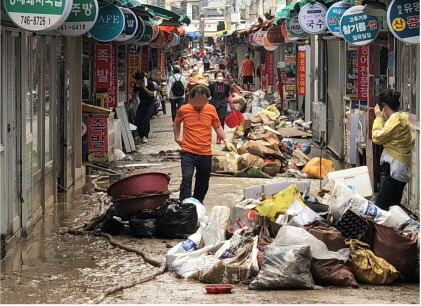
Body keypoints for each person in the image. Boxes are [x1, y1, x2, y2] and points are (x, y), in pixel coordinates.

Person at [173, 85, 236, 203]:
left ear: (208, 99)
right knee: (187, 177)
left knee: (203, 180)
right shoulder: (184, 109)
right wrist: (177, 138)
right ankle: (185, 204)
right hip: (188, 151)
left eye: (203, 100)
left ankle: (197, 202)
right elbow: (176, 123)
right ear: (191, 98)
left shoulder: (211, 109)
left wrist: (226, 140)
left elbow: (217, 126)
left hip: (205, 152)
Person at [372, 89, 415, 210]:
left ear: (384, 106)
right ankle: (389, 229)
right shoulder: (402, 117)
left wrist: (378, 118)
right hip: (400, 167)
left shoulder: (394, 121)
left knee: (380, 208)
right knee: (392, 207)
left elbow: (376, 137)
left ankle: (380, 229)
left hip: (395, 169)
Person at [132, 71, 156, 143]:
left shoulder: (149, 83)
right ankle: (141, 135)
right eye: (137, 81)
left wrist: (144, 87)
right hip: (142, 103)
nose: (138, 82)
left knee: (146, 119)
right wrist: (131, 102)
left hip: (150, 103)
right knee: (138, 119)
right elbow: (134, 93)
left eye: (139, 80)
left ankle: (145, 136)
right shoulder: (137, 85)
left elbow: (151, 94)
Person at [209, 71, 230, 144]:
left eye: (221, 76)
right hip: (214, 104)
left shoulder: (226, 85)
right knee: (213, 121)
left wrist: (231, 104)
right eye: (218, 76)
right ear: (215, 77)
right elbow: (210, 94)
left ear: (223, 77)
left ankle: (219, 137)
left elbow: (227, 95)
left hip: (222, 104)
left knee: (221, 121)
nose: (219, 77)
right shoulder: (212, 85)